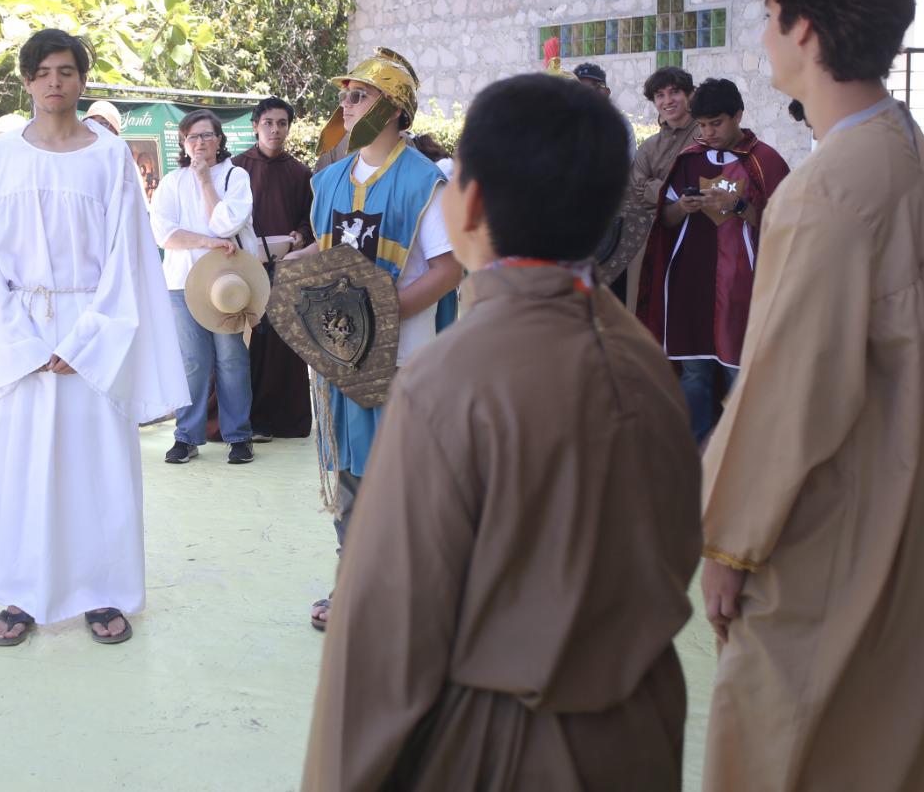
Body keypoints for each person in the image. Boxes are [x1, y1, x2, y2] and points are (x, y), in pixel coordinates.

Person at [700, 0, 924, 790]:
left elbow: (786, 394)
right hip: (910, 482)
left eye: (772, 16)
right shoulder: (900, 147)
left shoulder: (828, 189)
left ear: (806, 29)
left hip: (846, 517)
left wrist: (729, 544)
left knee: (793, 730)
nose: (766, 38)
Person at [302, 75, 700, 791]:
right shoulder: (646, 361)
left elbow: (384, 644)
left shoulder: (448, 384)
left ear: (470, 206)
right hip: (641, 737)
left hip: (499, 752)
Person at [0, 28, 186, 646]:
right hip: (19, 335)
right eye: (43, 71)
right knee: (19, 471)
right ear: (28, 82)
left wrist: (84, 343)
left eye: (67, 71)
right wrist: (23, 343)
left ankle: (102, 593)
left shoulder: (110, 158)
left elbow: (128, 260)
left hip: (91, 336)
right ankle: (20, 595)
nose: (55, 82)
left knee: (98, 471)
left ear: (82, 81)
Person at [287, 48, 463, 630]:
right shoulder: (330, 179)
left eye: (359, 95)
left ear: (392, 108)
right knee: (350, 472)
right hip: (341, 356)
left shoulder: (424, 182)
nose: (346, 104)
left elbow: (447, 270)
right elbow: (326, 247)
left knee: (402, 475)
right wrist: (291, 273)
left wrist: (383, 317)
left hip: (404, 357)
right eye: (346, 94)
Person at [641, 78, 788, 443]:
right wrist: (681, 207)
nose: (708, 132)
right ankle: (698, 449)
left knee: (743, 369)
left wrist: (738, 207)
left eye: (716, 123)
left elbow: (783, 226)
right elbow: (667, 220)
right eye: (703, 124)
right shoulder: (689, 159)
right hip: (692, 282)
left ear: (737, 115)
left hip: (743, 283)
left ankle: (747, 450)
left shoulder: (764, 161)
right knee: (694, 371)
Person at [150, 109, 257, 464]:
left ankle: (239, 436)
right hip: (182, 284)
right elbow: (165, 234)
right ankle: (187, 436)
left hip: (227, 283)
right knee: (192, 362)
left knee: (231, 359)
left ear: (219, 140)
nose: (200, 143)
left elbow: (226, 224)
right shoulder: (170, 182)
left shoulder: (234, 176)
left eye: (207, 136)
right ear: (183, 142)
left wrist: (205, 181)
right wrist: (207, 242)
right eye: (193, 137)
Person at [232, 97, 315, 440]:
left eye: (282, 123)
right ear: (255, 125)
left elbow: (310, 219)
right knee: (241, 344)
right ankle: (239, 420)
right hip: (241, 269)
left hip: (286, 269)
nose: (275, 129)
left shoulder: (300, 172)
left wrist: (300, 235)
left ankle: (281, 420)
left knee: (282, 344)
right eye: (268, 122)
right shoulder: (236, 169)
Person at [623, 67, 701, 307]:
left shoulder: (704, 136)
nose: (668, 101)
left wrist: (656, 188)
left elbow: (699, 186)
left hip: (695, 239)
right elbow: (635, 192)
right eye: (660, 95)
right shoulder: (649, 148)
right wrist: (673, 192)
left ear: (689, 95)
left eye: (675, 92)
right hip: (650, 239)